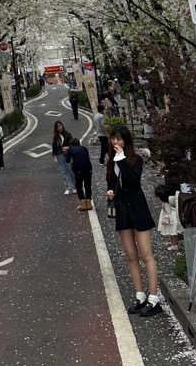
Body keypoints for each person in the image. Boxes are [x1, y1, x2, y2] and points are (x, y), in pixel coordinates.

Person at [106, 124, 160, 317]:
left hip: (138, 208)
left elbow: (133, 182)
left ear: (125, 141)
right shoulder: (112, 160)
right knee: (130, 255)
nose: (115, 142)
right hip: (122, 210)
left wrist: (120, 160)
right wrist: (111, 192)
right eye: (113, 139)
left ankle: (154, 297)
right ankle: (140, 295)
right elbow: (113, 182)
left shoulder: (135, 160)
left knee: (146, 255)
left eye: (119, 139)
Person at [66, 137, 93, 210]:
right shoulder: (84, 148)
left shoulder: (70, 149)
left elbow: (67, 160)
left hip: (78, 170)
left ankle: (83, 204)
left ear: (71, 144)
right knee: (87, 185)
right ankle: (89, 204)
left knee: (79, 186)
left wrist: (66, 152)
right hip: (88, 168)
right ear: (79, 143)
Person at [52, 120, 74, 195]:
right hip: (59, 156)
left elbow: (73, 144)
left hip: (67, 155)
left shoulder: (68, 134)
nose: (59, 127)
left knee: (70, 171)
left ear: (62, 126)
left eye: (60, 125)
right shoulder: (56, 137)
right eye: (57, 126)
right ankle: (67, 188)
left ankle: (74, 187)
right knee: (63, 172)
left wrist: (67, 148)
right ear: (56, 128)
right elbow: (54, 147)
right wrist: (54, 156)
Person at [93, 101, 109, 166]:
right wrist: (107, 133)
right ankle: (101, 160)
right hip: (103, 134)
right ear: (102, 110)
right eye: (104, 109)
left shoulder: (96, 115)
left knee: (106, 147)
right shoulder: (101, 116)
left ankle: (112, 158)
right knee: (104, 148)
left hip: (98, 133)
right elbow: (103, 125)